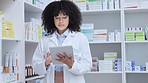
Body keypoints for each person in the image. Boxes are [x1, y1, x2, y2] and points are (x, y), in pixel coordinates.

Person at [32, 0, 92, 83]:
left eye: (64, 17)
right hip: (52, 79)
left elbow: (87, 65)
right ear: (52, 19)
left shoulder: (81, 38)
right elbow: (35, 66)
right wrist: (46, 62)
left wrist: (71, 64)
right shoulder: (45, 40)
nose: (61, 21)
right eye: (57, 18)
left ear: (70, 18)